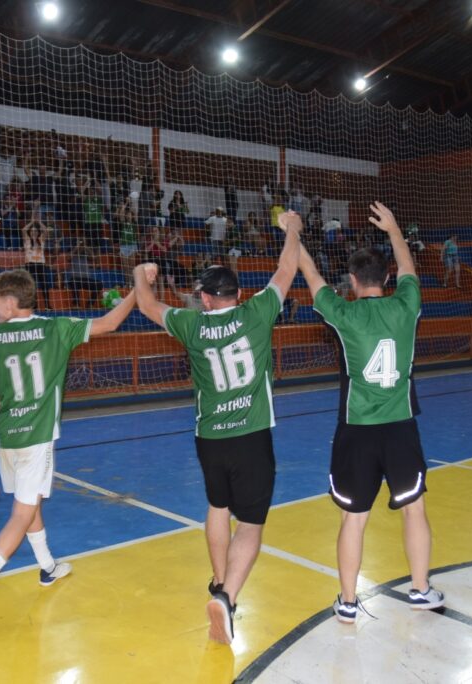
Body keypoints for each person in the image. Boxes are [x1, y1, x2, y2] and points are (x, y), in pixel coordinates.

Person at [131, 210, 303, 645]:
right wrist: (293, 229)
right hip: (252, 435)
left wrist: (141, 273)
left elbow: (148, 305)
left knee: (217, 507)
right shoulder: (259, 312)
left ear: (205, 300)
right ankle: (227, 597)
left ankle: (217, 579)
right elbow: (287, 268)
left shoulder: (191, 325)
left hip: (210, 438)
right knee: (251, 524)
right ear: (239, 294)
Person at [0, 269, 143, 621]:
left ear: (11, 303)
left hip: (7, 436)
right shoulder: (57, 328)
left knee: (31, 503)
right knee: (22, 514)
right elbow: (110, 323)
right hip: (36, 438)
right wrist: (138, 289)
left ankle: (47, 567)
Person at [297, 201, 444, 625]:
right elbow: (410, 270)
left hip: (356, 430)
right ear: (387, 279)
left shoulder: (342, 313)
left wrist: (296, 240)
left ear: (353, 281)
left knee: (353, 518)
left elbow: (312, 277)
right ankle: (420, 590)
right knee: (415, 509)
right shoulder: (406, 306)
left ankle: (347, 602)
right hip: (400, 427)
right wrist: (396, 230)